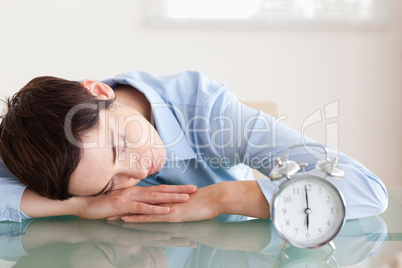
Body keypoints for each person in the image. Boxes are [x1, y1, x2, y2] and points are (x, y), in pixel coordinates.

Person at [0, 71, 388, 223]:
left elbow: (366, 190)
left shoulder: (208, 112)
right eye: (108, 184)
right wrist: (83, 204)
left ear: (99, 91)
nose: (137, 173)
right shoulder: (39, 148)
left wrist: (220, 198)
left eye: (121, 146)